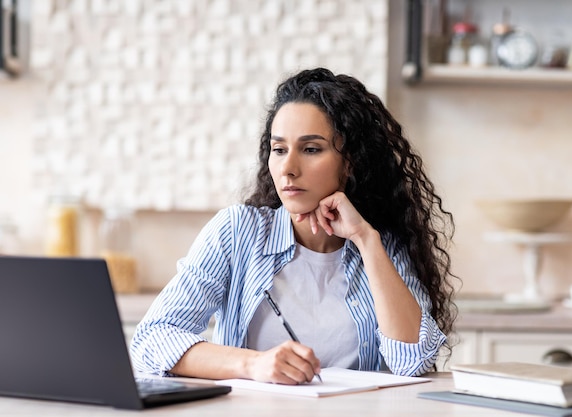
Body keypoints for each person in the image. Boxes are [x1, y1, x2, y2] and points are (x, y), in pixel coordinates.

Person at [130, 67, 457, 385]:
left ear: (350, 163)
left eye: (311, 149)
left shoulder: (381, 244)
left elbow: (412, 361)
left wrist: (366, 239)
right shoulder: (238, 232)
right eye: (279, 149)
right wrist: (254, 364)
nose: (288, 168)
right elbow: (153, 339)